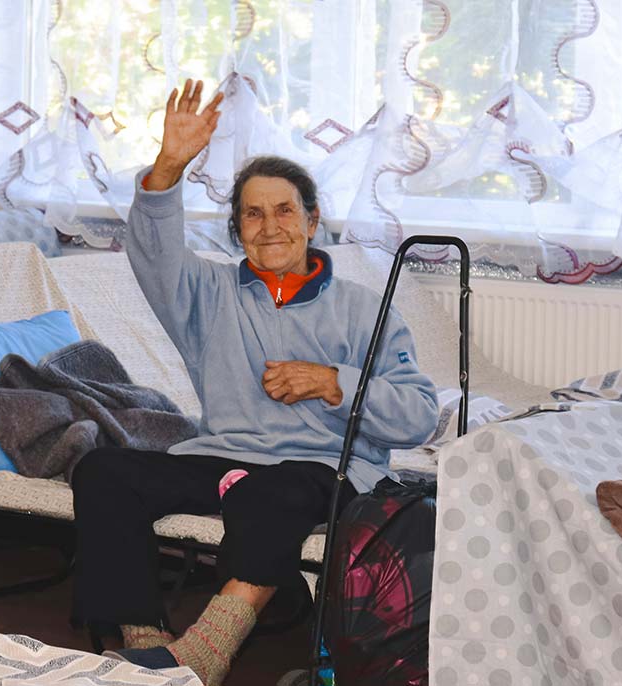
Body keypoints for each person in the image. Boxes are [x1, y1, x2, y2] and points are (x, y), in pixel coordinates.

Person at [71, 79, 440, 686]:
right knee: (102, 471)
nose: (270, 226)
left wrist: (334, 382)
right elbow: (154, 253)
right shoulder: (206, 294)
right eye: (253, 213)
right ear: (238, 229)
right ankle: (147, 642)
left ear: (312, 221)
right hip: (224, 457)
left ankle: (206, 652)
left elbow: (418, 415)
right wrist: (169, 166)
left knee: (267, 493)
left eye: (285, 210)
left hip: (323, 469)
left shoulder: (362, 308)